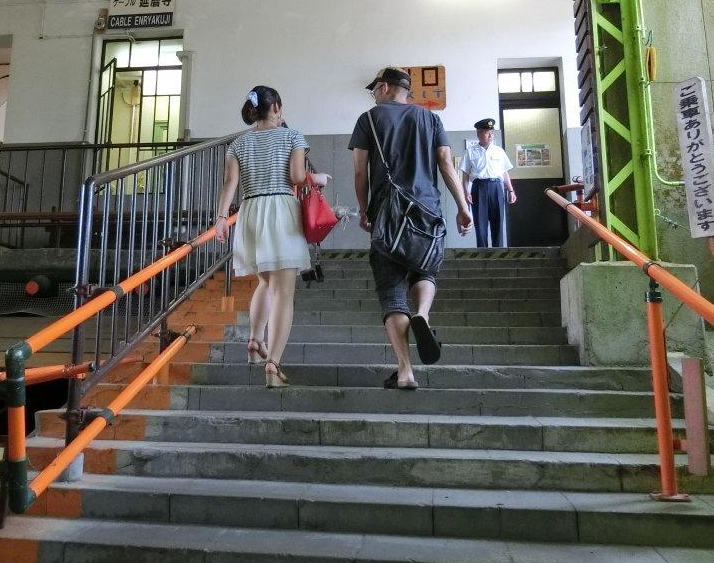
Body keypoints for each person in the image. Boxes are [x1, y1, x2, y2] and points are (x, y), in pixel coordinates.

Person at [349, 67, 472, 390]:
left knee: (392, 293)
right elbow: (446, 163)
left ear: (385, 87)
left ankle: (405, 371)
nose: (373, 94)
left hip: (387, 216)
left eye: (374, 89)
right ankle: (424, 314)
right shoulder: (431, 119)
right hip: (427, 212)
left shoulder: (369, 119)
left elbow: (360, 172)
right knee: (425, 272)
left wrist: (364, 209)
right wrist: (463, 207)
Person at [214, 85, 329, 388]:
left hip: (251, 212)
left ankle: (255, 342)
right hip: (280, 211)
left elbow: (230, 182)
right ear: (276, 107)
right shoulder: (293, 136)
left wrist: (222, 218)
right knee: (283, 293)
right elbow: (296, 177)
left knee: (265, 282)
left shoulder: (238, 143)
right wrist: (317, 178)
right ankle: (273, 365)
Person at [461, 117, 516, 248]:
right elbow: (465, 175)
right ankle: (482, 254)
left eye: (492, 132)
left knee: (498, 223)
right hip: (478, 188)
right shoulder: (470, 152)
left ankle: (499, 254)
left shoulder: (499, 151)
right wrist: (466, 192)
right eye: (487, 132)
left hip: (496, 187)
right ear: (479, 133)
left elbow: (504, 173)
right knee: (480, 225)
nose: (491, 135)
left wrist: (511, 190)